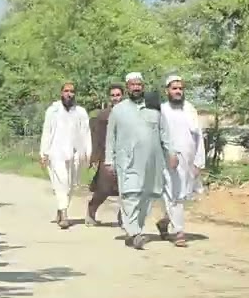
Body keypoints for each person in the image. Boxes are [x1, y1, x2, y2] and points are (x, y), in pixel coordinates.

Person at [103, 72, 172, 250]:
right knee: (130, 195)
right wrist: (109, 161)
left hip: (151, 163)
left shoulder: (154, 108)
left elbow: (164, 133)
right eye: (132, 84)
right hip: (127, 161)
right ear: (127, 88)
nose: (136, 87)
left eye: (138, 84)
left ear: (143, 86)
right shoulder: (119, 110)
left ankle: (135, 230)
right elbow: (111, 137)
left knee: (146, 198)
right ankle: (133, 232)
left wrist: (171, 153)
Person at [156, 74, 205, 247]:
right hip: (169, 160)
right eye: (174, 88)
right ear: (167, 90)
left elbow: (199, 136)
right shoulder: (161, 110)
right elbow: (158, 138)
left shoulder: (190, 109)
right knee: (173, 194)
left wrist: (199, 162)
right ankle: (179, 232)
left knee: (181, 196)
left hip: (189, 161)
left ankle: (164, 222)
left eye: (180, 88)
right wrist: (168, 154)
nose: (178, 91)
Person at [39, 81, 92, 229]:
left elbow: (86, 133)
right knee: (61, 181)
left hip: (75, 153)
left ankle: (61, 208)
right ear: (61, 93)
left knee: (71, 185)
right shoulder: (53, 111)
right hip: (56, 153)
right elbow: (47, 132)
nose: (69, 94)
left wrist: (88, 152)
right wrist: (43, 153)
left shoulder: (81, 112)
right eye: (66, 91)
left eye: (72, 91)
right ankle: (64, 214)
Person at [86, 83, 125, 226]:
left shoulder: (130, 113)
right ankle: (91, 210)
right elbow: (97, 138)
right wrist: (95, 158)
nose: (116, 98)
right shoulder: (103, 116)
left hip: (126, 156)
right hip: (106, 155)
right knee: (104, 188)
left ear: (123, 95)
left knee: (127, 189)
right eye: (113, 95)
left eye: (118, 95)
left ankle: (124, 217)